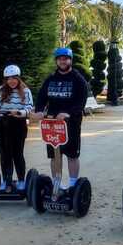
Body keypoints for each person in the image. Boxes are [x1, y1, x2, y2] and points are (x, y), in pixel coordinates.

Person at [31, 48, 89, 195]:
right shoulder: (50, 79)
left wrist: (68, 113)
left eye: (65, 59)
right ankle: (57, 185)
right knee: (54, 155)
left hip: (71, 123)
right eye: (60, 59)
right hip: (52, 123)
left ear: (70, 60)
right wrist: (39, 110)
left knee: (72, 155)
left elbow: (81, 102)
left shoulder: (78, 79)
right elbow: (42, 97)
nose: (63, 61)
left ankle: (73, 185)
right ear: (56, 61)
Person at [0, 64, 33, 191]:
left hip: (18, 123)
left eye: (14, 78)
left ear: (18, 78)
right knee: (4, 153)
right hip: (1, 123)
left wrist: (19, 112)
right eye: (8, 78)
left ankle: (21, 180)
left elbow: (29, 108)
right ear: (5, 79)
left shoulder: (25, 91)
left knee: (17, 153)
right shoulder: (1, 90)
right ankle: (6, 179)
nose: (11, 81)